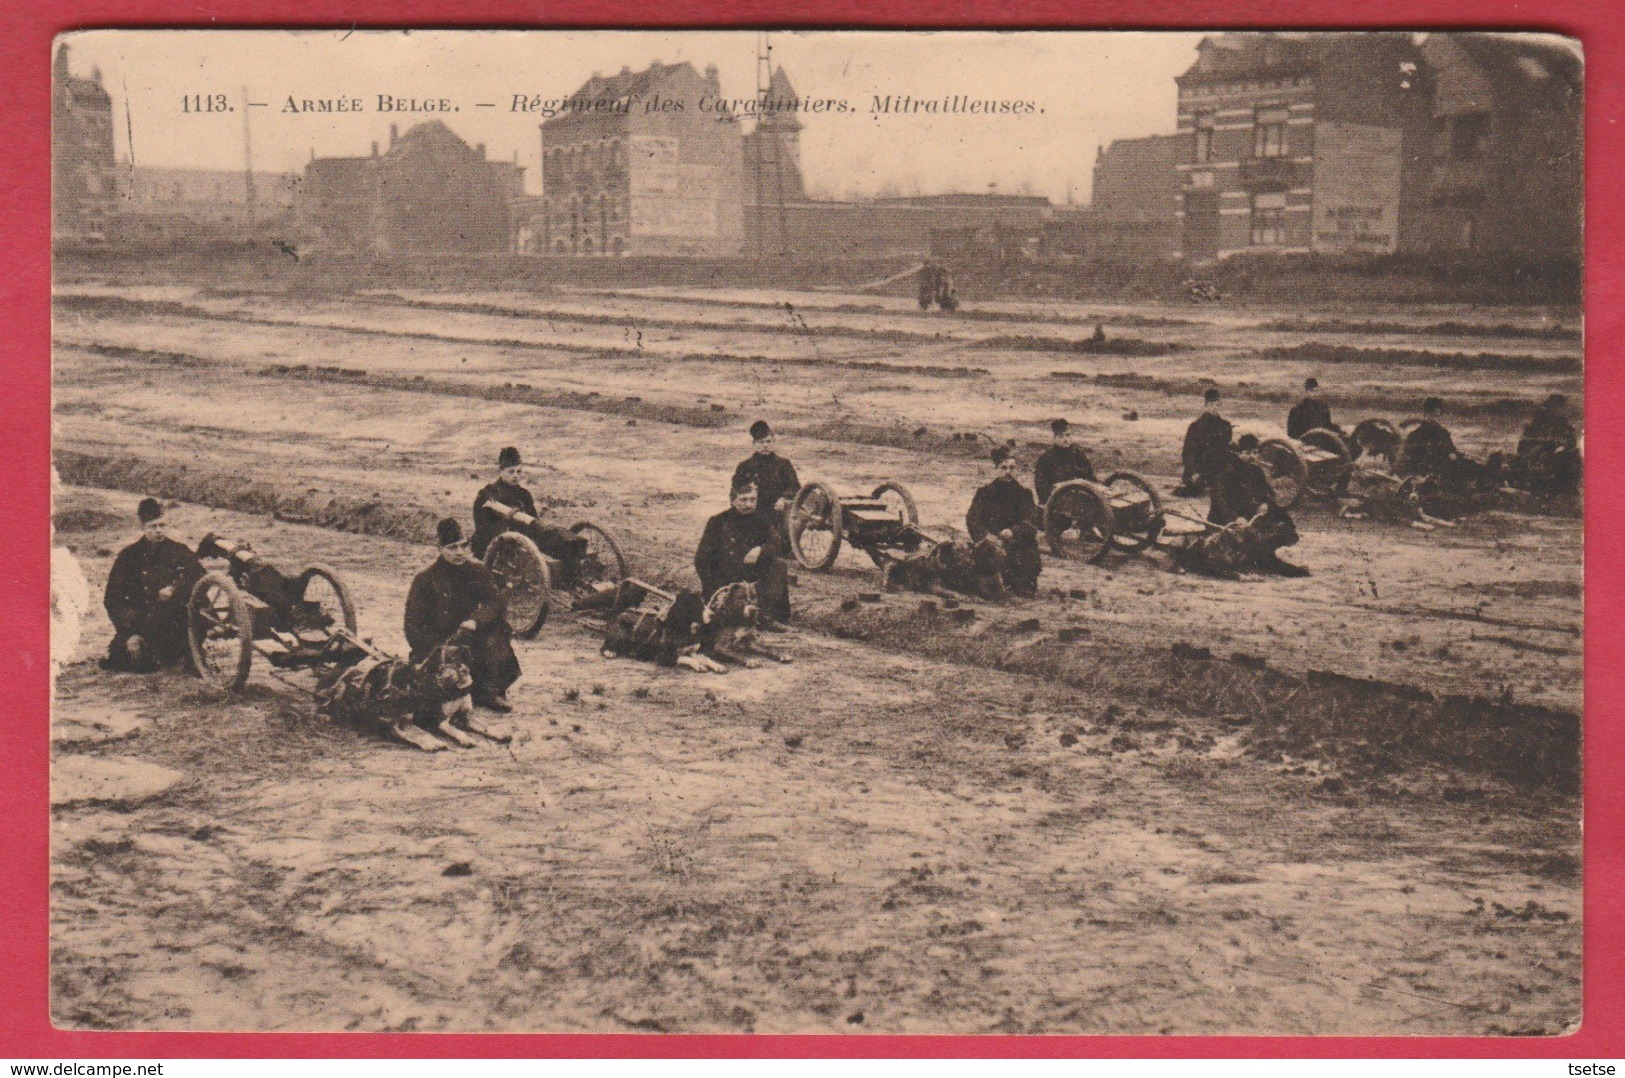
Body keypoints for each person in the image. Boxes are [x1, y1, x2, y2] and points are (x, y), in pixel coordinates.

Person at [405, 517, 520, 713]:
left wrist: (476, 620)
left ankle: (489, 692)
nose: (459, 552)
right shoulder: (424, 579)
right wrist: (440, 649)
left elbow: (494, 603)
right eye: (452, 547)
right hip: (441, 641)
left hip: (471, 634)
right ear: (440, 548)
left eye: (463, 545)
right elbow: (412, 628)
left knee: (498, 630)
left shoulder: (478, 570)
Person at [101, 497, 205, 672]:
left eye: (162, 526)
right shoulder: (128, 556)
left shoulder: (179, 550)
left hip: (175, 623)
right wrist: (130, 632)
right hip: (141, 623)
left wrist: (175, 589)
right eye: (153, 526)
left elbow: (200, 577)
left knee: (174, 655)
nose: (159, 531)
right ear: (143, 528)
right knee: (126, 658)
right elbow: (112, 599)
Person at [471, 446, 590, 588]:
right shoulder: (488, 493)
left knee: (553, 534)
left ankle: (573, 559)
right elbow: (482, 526)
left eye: (519, 471)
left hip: (524, 535)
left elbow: (534, 519)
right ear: (501, 471)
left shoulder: (524, 494)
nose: (516, 475)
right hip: (497, 540)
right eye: (511, 472)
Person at [1206, 434, 1308, 577]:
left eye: (1255, 452)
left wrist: (1264, 503)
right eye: (1247, 453)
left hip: (1251, 517)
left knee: (1279, 527)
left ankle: (1265, 557)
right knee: (1247, 537)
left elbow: (1267, 492)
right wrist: (1235, 518)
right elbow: (1220, 502)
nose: (1252, 456)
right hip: (1226, 519)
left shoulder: (1256, 471)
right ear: (1238, 453)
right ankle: (1261, 559)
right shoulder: (1226, 473)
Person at [695, 480, 793, 627]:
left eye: (753, 499)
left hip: (753, 577)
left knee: (778, 565)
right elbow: (701, 560)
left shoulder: (762, 520)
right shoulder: (718, 522)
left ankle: (769, 615)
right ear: (733, 501)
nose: (748, 504)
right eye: (743, 500)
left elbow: (778, 544)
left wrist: (760, 549)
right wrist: (713, 591)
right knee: (730, 617)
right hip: (726, 580)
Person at [967, 445, 1043, 597]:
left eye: (1012, 468)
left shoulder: (1024, 494)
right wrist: (985, 536)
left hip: (1017, 547)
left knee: (1024, 590)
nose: (1008, 472)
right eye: (1003, 467)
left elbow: (1031, 523)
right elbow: (972, 519)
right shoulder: (984, 493)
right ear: (996, 469)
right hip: (991, 546)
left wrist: (1013, 531)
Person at [730, 421, 800, 546]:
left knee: (783, 543)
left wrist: (784, 499)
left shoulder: (783, 464)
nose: (765, 446)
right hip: (755, 511)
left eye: (768, 441)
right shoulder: (745, 466)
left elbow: (795, 486)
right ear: (754, 444)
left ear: (773, 442)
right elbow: (735, 492)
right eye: (761, 442)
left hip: (778, 510)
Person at [1512, 393, 1581, 495]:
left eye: (1560, 407)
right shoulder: (1536, 424)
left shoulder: (1564, 426)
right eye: (1556, 407)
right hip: (1538, 463)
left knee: (1571, 458)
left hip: (1553, 463)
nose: (1560, 410)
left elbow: (1571, 445)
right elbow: (1524, 449)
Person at [1179, 388, 1233, 496]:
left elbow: (1227, 450)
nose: (1213, 407)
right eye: (1211, 404)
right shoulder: (1196, 427)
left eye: (1216, 404)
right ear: (1206, 405)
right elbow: (1188, 452)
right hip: (1200, 473)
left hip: (1219, 471)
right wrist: (1194, 473)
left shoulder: (1225, 426)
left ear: (1219, 405)